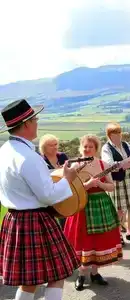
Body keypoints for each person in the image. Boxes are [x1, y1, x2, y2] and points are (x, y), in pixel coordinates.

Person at [0, 99, 80, 300]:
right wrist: (67, 179)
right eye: (35, 119)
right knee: (57, 275)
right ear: (26, 123)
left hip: (14, 220)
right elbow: (48, 195)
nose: (37, 122)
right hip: (35, 221)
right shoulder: (28, 156)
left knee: (29, 282)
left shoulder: (4, 151)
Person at [64, 134, 122, 291]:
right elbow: (69, 189)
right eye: (85, 146)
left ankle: (95, 273)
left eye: (90, 147)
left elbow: (111, 186)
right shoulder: (75, 166)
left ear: (96, 149)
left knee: (99, 240)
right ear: (80, 148)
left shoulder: (103, 165)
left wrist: (100, 185)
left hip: (101, 205)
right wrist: (87, 185)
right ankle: (82, 274)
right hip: (82, 206)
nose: (87, 149)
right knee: (84, 240)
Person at [101, 122, 130, 244]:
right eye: (115, 133)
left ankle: (129, 232)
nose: (118, 135)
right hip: (117, 181)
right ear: (109, 135)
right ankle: (118, 235)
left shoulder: (126, 145)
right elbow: (110, 166)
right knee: (119, 210)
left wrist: (129, 164)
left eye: (119, 132)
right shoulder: (106, 148)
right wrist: (128, 161)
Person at [39, 133, 69, 229]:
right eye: (51, 145)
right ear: (44, 147)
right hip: (49, 193)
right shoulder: (40, 160)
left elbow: (69, 172)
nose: (54, 147)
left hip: (63, 191)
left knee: (65, 220)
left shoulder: (62, 157)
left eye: (55, 144)